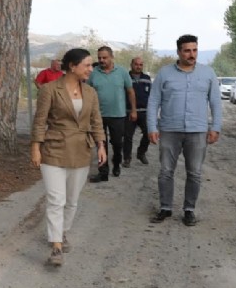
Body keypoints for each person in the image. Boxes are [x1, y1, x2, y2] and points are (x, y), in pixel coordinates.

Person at [30, 48, 107, 266]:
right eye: (87, 65)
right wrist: (35, 148)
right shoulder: (50, 90)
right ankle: (56, 246)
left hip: (81, 151)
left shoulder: (90, 93)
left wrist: (101, 146)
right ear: (72, 66)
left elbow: (96, 121)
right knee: (56, 199)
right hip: (54, 150)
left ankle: (63, 232)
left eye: (92, 65)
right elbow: (39, 121)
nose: (91, 69)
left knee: (72, 201)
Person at [147, 34, 222, 226]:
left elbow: (215, 102)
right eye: (187, 50)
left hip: (197, 131)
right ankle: (165, 207)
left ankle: (189, 210)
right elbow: (153, 101)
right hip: (169, 130)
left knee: (195, 173)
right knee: (165, 171)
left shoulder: (208, 73)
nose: (192, 54)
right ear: (179, 51)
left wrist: (215, 127)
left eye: (195, 50)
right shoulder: (164, 73)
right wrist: (151, 127)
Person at [86, 46, 137, 182]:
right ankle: (103, 172)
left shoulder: (122, 72)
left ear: (111, 57)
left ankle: (116, 164)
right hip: (98, 115)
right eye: (99, 58)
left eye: (104, 57)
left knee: (117, 143)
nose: (101, 60)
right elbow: (86, 92)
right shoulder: (93, 73)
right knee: (100, 144)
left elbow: (130, 91)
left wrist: (133, 110)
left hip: (118, 115)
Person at [123, 57, 152, 168]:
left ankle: (141, 153)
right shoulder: (125, 77)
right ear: (131, 64)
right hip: (129, 111)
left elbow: (151, 95)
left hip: (144, 112)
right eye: (136, 64)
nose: (138, 66)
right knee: (128, 136)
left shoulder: (147, 78)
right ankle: (127, 158)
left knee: (148, 133)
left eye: (141, 64)